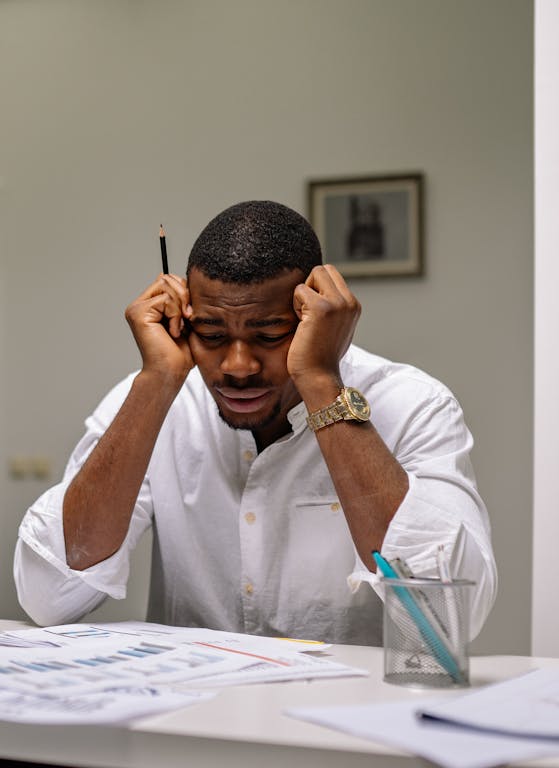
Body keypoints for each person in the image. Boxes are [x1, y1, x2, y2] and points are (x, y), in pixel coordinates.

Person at [14, 201, 497, 645]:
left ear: (314, 318)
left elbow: (446, 617)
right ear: (184, 319)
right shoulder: (155, 397)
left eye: (269, 335)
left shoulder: (413, 404)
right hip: (195, 721)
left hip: (350, 724)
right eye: (211, 333)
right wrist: (157, 379)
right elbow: (49, 597)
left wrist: (321, 382)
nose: (238, 366)